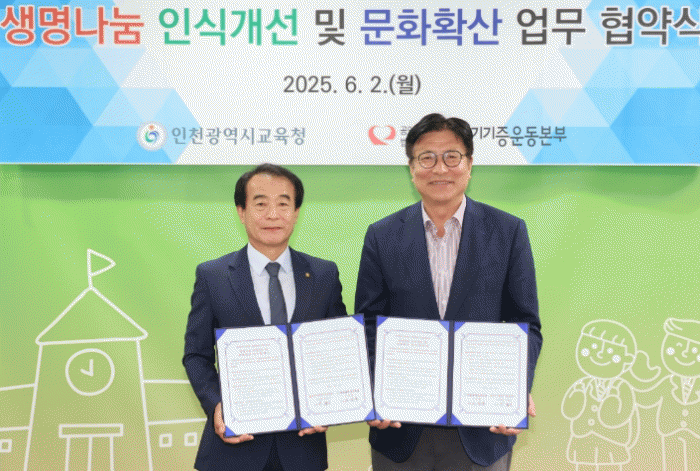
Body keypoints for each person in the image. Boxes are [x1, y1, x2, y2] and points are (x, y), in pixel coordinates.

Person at [355, 113, 543, 471]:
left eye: (451, 157)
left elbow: (526, 325)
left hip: (483, 428)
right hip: (400, 428)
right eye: (427, 158)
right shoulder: (382, 236)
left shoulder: (508, 232)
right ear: (412, 169)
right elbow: (368, 325)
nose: (440, 168)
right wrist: (375, 393)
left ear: (469, 165)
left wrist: (515, 389)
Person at [183, 163, 347, 471]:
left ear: (296, 212)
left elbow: (337, 352)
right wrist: (217, 404)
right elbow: (196, 355)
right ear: (241, 211)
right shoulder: (213, 276)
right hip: (233, 449)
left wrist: (331, 406)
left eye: (283, 204)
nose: (273, 215)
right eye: (260, 204)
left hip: (302, 449)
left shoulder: (324, 274)